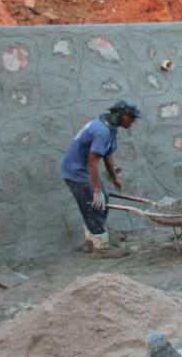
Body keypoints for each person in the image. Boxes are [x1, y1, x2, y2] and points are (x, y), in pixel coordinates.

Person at [59, 99, 142, 258]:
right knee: (96, 204)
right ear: (122, 115)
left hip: (81, 169)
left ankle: (91, 242)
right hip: (75, 171)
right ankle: (101, 248)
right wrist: (97, 190)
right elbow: (93, 161)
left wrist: (114, 177)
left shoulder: (110, 128)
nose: (133, 122)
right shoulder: (102, 130)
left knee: (97, 203)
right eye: (131, 118)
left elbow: (107, 153)